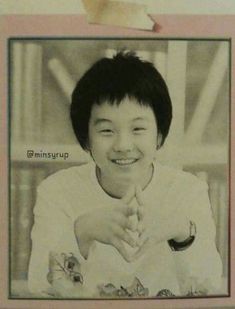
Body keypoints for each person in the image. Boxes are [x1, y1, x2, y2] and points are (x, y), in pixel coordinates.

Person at [28, 51, 222, 298]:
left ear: (159, 135)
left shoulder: (188, 191)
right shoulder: (56, 191)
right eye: (107, 130)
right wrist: (81, 232)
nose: (123, 145)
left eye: (138, 128)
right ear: (86, 138)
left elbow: (210, 289)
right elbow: (39, 289)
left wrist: (182, 231)